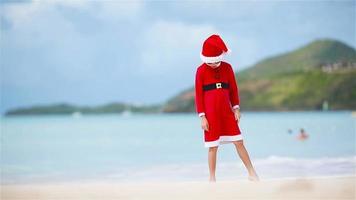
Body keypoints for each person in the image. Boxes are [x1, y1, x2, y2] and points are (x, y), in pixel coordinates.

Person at [195, 34, 259, 182]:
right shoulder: (201, 71)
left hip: (227, 112)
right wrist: (202, 116)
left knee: (239, 141)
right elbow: (199, 95)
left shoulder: (228, 68)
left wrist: (236, 108)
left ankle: (252, 172)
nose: (213, 64)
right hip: (210, 114)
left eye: (216, 61)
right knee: (213, 146)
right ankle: (212, 178)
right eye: (210, 62)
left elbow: (233, 90)